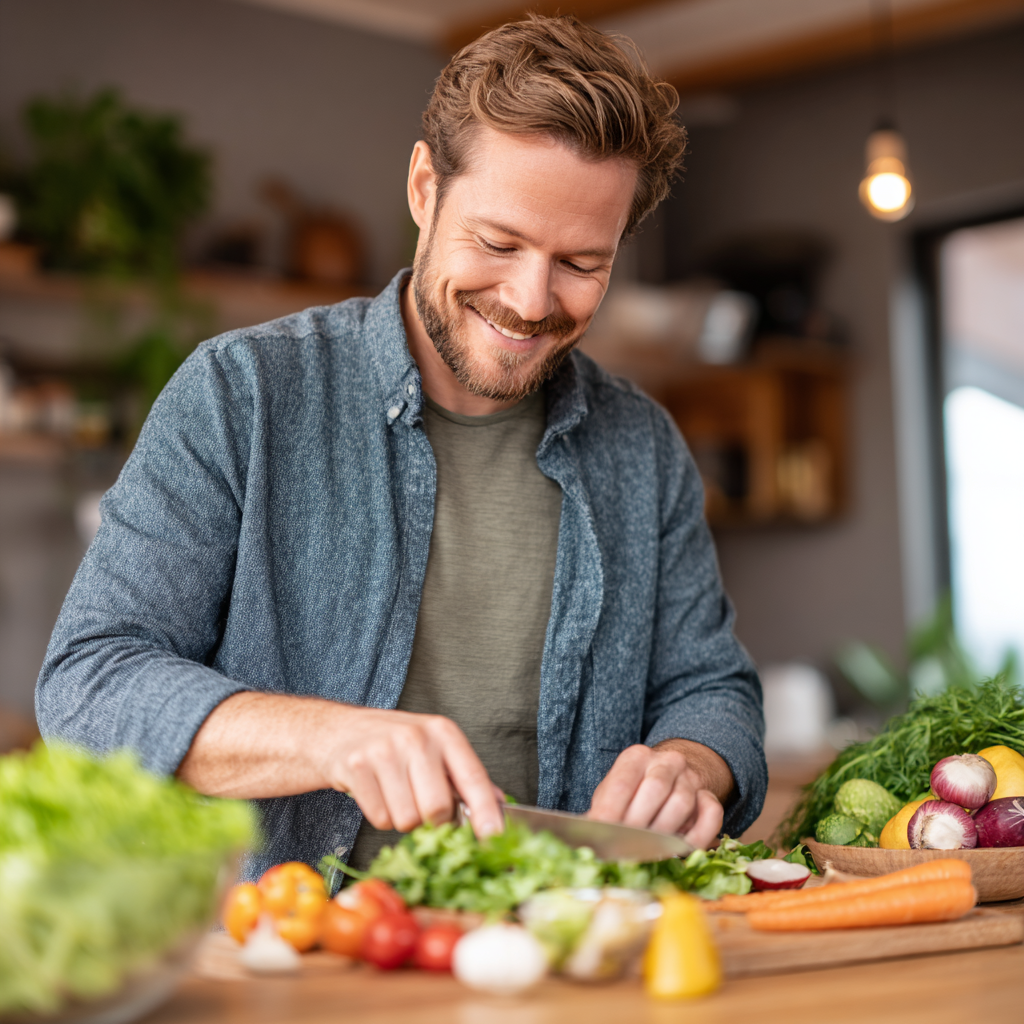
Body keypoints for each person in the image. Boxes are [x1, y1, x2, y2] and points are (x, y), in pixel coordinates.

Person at [37, 15, 765, 878]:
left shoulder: (640, 447)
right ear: (425, 188)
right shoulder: (244, 394)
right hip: (290, 961)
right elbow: (89, 683)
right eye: (498, 243)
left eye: (582, 262)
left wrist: (690, 764)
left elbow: (712, 689)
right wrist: (330, 739)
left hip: (549, 951)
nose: (531, 300)